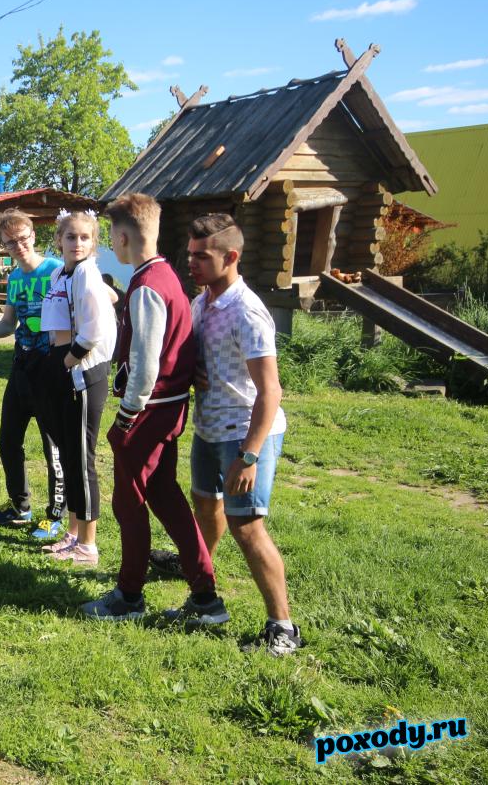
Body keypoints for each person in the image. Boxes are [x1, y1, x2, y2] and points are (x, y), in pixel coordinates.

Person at [81, 193, 222, 623]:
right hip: (169, 407)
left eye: (110, 237)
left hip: (149, 410)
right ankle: (205, 598)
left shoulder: (146, 288)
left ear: (122, 238)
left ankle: (129, 596)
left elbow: (145, 365)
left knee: (128, 504)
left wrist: (126, 417)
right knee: (166, 498)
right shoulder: (165, 276)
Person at [178, 213, 301, 654]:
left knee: (246, 527)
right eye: (190, 255)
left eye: (201, 257)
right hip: (208, 427)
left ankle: (283, 627)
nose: (192, 263)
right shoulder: (203, 302)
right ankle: (202, 598)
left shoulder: (248, 311)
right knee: (206, 515)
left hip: (245, 433)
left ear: (230, 257)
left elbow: (270, 390)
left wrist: (248, 455)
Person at [0, 209, 65, 530]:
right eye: (10, 242)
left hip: (52, 370)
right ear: (4, 246)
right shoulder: (14, 277)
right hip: (21, 368)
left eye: (23, 239)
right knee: (8, 439)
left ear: (33, 236)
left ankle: (55, 516)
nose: (18, 246)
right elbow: (8, 324)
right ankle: (20, 507)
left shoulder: (58, 270)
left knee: (52, 446)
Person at [38, 211, 118, 567]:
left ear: (94, 242)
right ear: (59, 240)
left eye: (85, 237)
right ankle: (73, 532)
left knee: (82, 458)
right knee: (68, 454)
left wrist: (71, 359)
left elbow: (96, 327)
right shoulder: (61, 272)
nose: (78, 243)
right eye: (71, 237)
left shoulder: (87, 272)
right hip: (64, 364)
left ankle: (89, 544)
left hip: (83, 370)